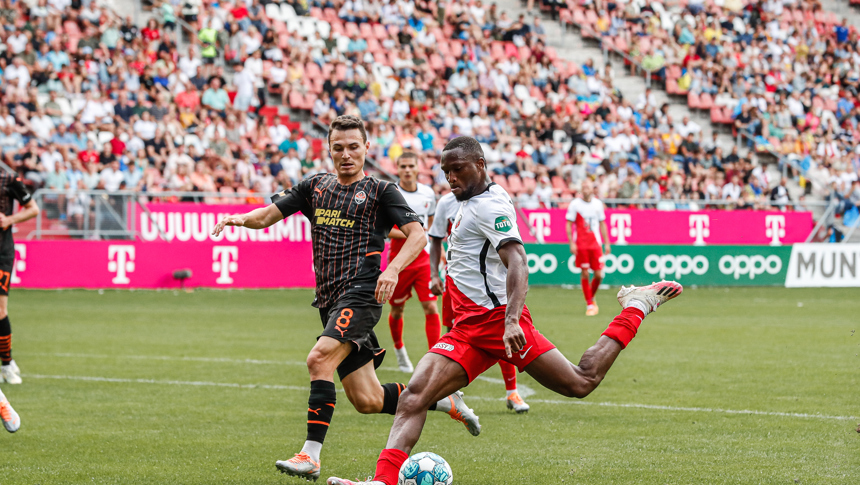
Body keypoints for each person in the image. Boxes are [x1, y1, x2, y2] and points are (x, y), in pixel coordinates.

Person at [326, 136, 683, 485]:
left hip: (498, 322)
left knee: (581, 381)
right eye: (445, 171)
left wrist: (511, 320)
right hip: (468, 328)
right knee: (415, 395)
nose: (450, 178)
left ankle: (636, 305)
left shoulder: (490, 206)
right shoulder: (466, 199)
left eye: (458, 170)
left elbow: (517, 261)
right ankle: (383, 482)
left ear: (480, 166)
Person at [211, 116, 480, 482]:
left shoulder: (381, 191)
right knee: (366, 399)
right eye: (338, 147)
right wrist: (238, 219)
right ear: (329, 150)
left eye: (354, 146)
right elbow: (266, 216)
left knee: (318, 359)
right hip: (329, 301)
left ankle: (310, 455)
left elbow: (417, 236)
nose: (346, 154)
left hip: (363, 294)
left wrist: (392, 269)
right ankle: (443, 400)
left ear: (366, 149)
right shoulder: (314, 187)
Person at [429, 190, 530, 413]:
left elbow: (510, 244)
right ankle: (450, 391)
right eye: (450, 171)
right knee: (453, 333)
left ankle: (512, 392)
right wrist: (435, 274)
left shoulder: (492, 200)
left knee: (503, 333)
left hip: (490, 284)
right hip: (456, 283)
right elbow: (435, 238)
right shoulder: (446, 203)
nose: (454, 177)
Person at [386, 153, 441, 373]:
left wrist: (431, 243)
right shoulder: (390, 193)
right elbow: (384, 229)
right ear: (397, 169)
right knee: (397, 310)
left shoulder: (427, 192)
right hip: (399, 260)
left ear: (418, 168)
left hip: (424, 258)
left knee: (430, 306)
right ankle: (400, 351)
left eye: (411, 166)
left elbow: (430, 222)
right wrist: (412, 235)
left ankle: (434, 359)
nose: (407, 170)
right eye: (403, 166)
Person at [0, 173, 40, 384]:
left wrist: (9, 219)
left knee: (0, 311)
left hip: (1, 253)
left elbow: (33, 208)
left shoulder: (9, 180)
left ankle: (6, 364)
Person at [565, 178, 610, 316]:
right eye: (583, 186)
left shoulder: (597, 204)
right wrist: (571, 242)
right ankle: (589, 304)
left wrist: (606, 242)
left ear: (592, 189)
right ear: (581, 189)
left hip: (595, 244)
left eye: (588, 186)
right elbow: (568, 224)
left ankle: (591, 296)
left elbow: (602, 223)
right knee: (585, 272)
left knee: (599, 274)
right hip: (582, 244)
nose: (586, 188)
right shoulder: (575, 204)